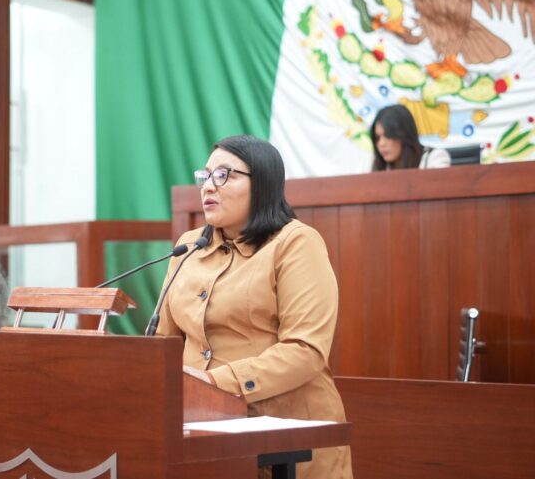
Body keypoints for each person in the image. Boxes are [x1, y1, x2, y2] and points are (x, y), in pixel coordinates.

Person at [156, 135, 353, 479]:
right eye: (205, 176)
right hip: (200, 434)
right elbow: (163, 343)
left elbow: (305, 350)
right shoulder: (188, 247)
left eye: (224, 175)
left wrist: (210, 383)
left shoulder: (295, 243)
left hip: (286, 438)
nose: (208, 187)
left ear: (262, 184)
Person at [370, 104, 450, 170]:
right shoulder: (379, 165)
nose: (381, 143)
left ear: (404, 134)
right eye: (378, 138)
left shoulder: (434, 158)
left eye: (388, 135)